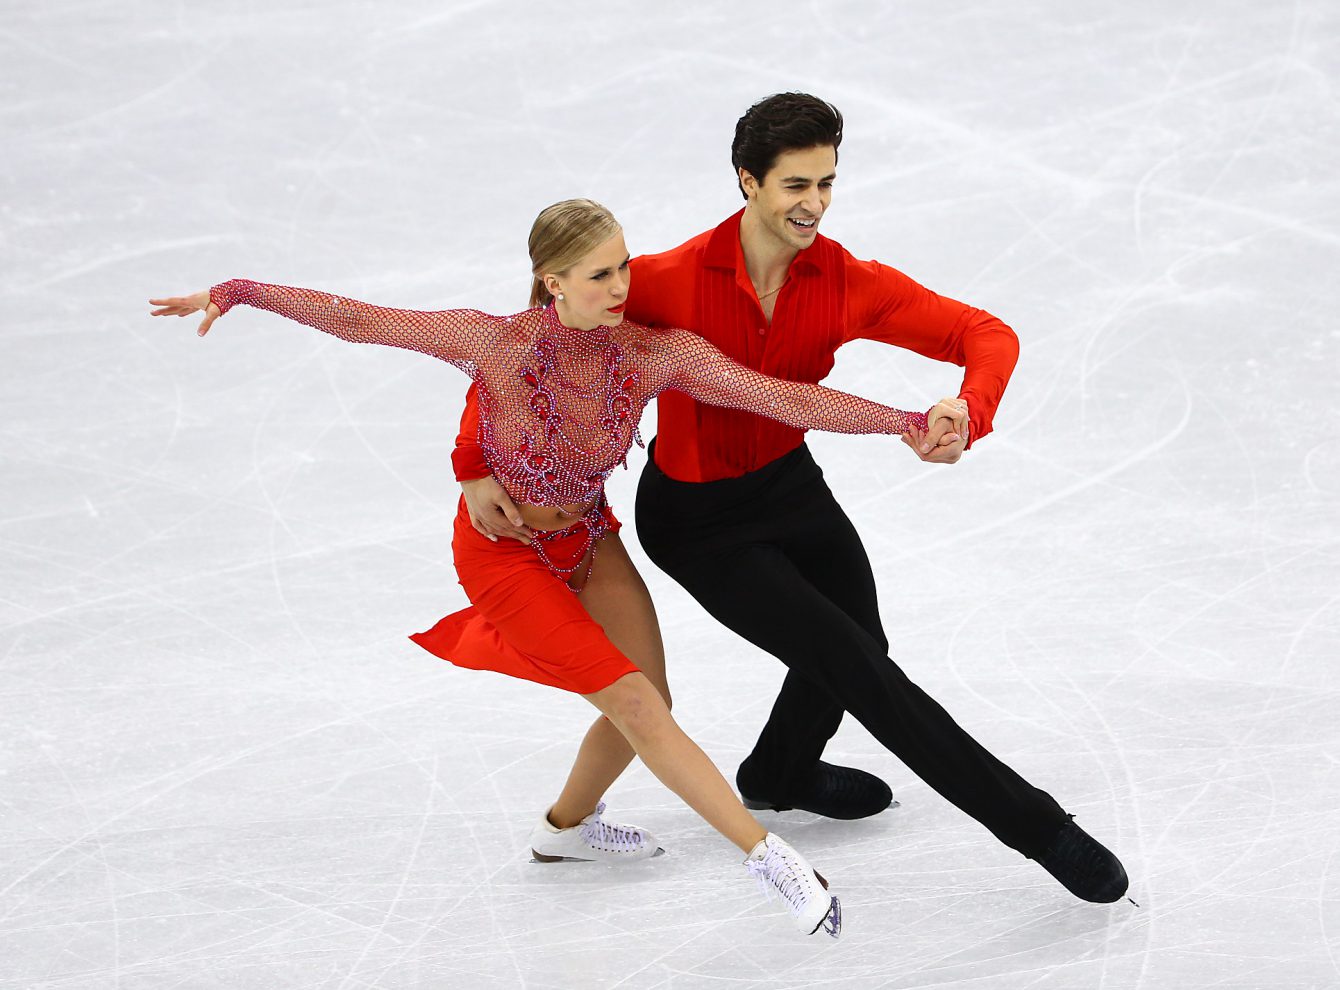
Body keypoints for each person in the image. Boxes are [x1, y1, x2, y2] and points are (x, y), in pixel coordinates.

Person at [147, 197, 941, 938]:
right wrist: (240, 290)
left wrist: (903, 421)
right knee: (634, 701)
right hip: (504, 553)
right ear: (551, 282)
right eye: (601, 274)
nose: (623, 285)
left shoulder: (652, 355)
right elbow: (361, 321)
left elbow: (780, 398)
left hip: (589, 540)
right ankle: (775, 863)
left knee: (648, 699)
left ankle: (566, 831)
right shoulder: (491, 342)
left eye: (625, 265)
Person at [451, 95, 1129, 904]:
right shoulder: (663, 281)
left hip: (790, 489)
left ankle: (779, 770)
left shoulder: (845, 283)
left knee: (860, 641)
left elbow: (986, 333)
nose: (813, 202)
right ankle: (1041, 829)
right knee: (862, 672)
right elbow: (533, 340)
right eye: (795, 184)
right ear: (748, 181)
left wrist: (965, 412)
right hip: (699, 522)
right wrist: (472, 463)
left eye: (828, 183)